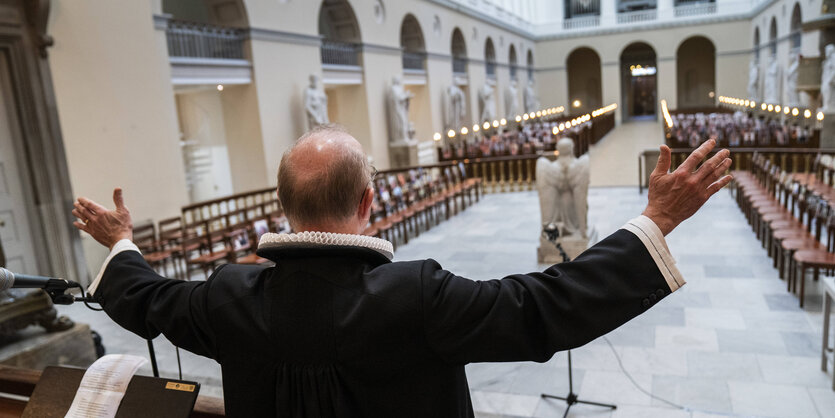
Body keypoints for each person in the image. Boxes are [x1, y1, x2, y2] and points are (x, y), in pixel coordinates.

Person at [72, 126, 732, 417]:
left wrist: (123, 240)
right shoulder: (417, 295)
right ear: (368, 203)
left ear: (282, 208)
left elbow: (145, 299)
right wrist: (655, 220)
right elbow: (545, 308)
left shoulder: (227, 295)